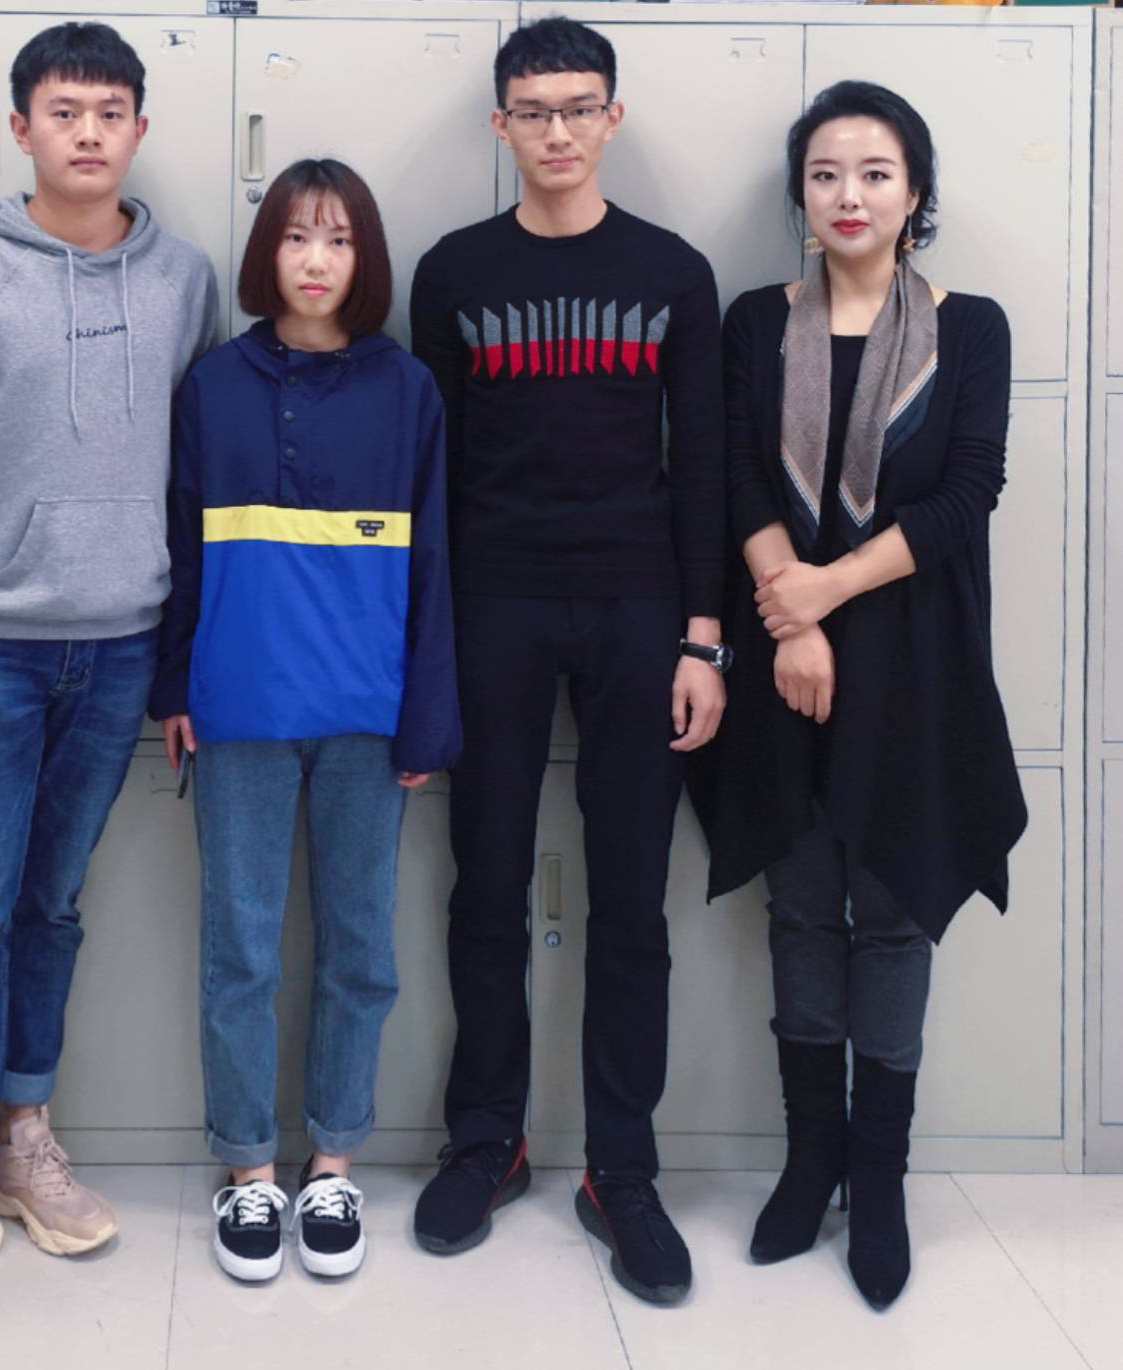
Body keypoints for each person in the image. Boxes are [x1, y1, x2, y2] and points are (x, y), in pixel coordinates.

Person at [0, 21, 217, 1333]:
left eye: (110, 111)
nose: (88, 131)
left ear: (140, 129)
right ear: (18, 128)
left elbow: (197, 471)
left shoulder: (185, 278)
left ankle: (25, 1130)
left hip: (121, 640)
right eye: (64, 111)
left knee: (52, 904)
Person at [407, 17, 726, 1305]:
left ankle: (622, 1169)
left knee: (633, 899)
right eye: (532, 110)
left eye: (578, 107)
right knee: (484, 882)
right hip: (494, 605)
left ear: (612, 117)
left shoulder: (674, 273)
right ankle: (486, 1139)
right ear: (501, 125)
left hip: (641, 610)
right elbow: (429, 476)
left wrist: (704, 636)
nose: (556, 131)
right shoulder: (453, 272)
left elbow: (703, 467)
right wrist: (425, 648)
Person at [693, 80, 1026, 1311]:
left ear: (915, 192)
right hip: (785, 654)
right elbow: (736, 474)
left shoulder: (969, 330)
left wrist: (820, 597)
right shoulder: (754, 323)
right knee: (798, 907)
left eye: (876, 173)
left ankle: (877, 1176)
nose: (850, 195)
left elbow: (967, 493)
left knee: (891, 912)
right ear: (800, 192)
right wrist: (791, 613)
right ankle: (810, 1160)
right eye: (826, 173)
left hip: (911, 661)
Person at [153, 158, 460, 1283]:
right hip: (238, 705)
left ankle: (332, 1162)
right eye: (295, 237)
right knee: (239, 947)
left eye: (338, 239)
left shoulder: (408, 389)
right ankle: (248, 1170)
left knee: (360, 947)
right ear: (267, 254)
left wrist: (428, 719)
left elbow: (434, 565)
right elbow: (181, 546)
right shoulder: (213, 385)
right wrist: (173, 686)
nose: (316, 260)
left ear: (364, 257)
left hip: (367, 716)